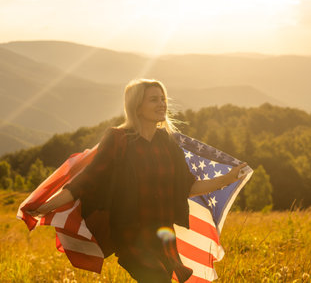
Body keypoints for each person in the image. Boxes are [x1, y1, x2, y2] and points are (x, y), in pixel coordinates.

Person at [26, 79, 247, 283]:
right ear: (136, 106)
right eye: (154, 99)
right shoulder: (118, 140)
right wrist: (47, 206)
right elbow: (86, 182)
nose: (162, 104)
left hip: (163, 236)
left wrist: (227, 179)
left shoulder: (167, 143)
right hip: (131, 235)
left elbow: (187, 187)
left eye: (163, 99)